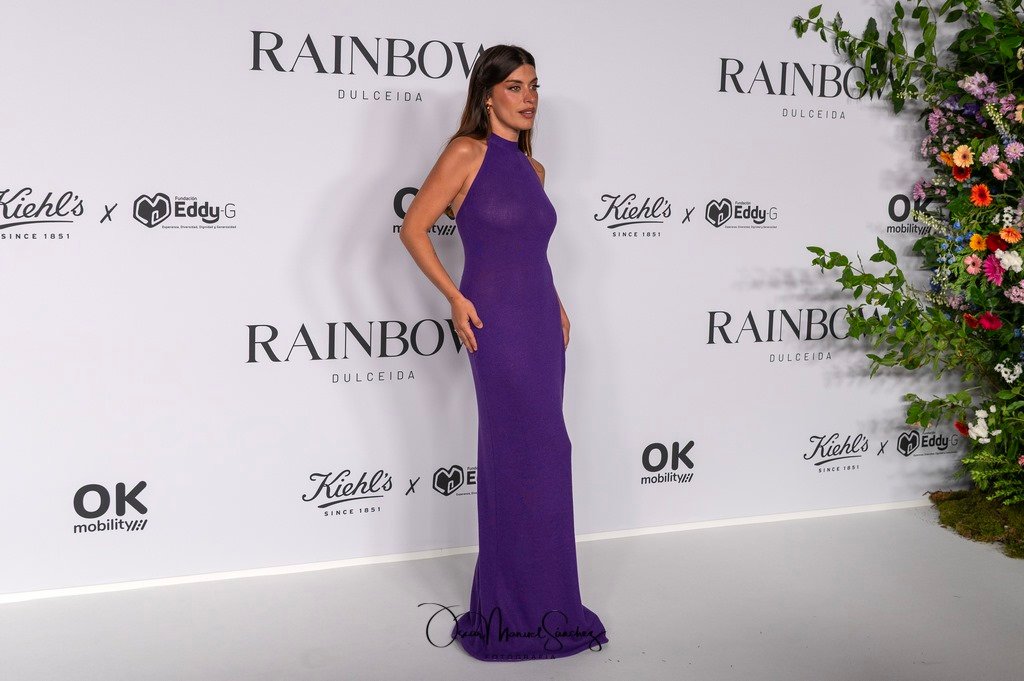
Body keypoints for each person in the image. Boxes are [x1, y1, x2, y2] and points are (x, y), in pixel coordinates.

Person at [399, 44, 609, 661]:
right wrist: (454, 298)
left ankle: (550, 603)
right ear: (487, 96)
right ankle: (509, 609)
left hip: (540, 321)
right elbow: (414, 228)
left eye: (534, 86)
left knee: (548, 453)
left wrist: (558, 302)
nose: (529, 98)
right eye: (515, 87)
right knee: (514, 455)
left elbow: (529, 252)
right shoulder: (465, 153)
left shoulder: (533, 169)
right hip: (494, 323)